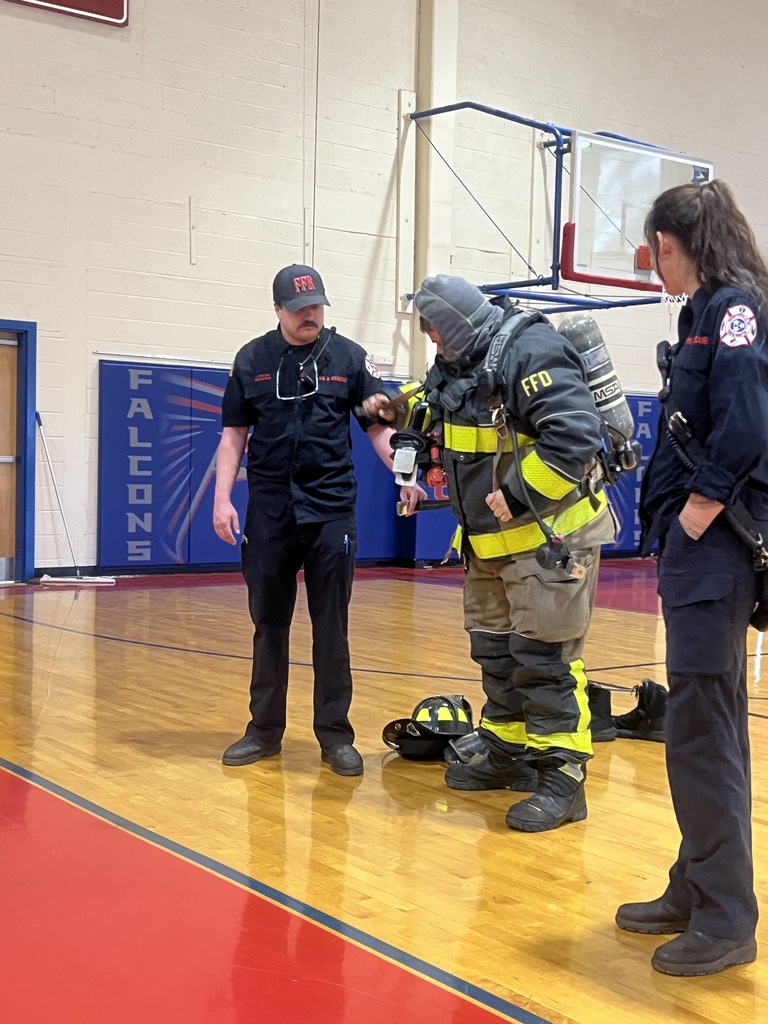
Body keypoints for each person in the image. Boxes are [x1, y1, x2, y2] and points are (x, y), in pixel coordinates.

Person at [364, 274, 616, 831]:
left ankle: (563, 777)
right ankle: (508, 753)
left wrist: (520, 492)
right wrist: (396, 414)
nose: (430, 340)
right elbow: (441, 409)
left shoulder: (531, 350)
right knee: (496, 653)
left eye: (433, 330)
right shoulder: (458, 360)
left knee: (545, 662)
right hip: (488, 545)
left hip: (549, 542)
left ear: (452, 323)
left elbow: (575, 434)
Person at [615, 179, 768, 976]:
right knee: (706, 728)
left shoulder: (734, 309)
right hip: (698, 555)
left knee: (702, 736)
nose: (658, 268)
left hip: (716, 549)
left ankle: (724, 919)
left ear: (690, 243)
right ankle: (697, 882)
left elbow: (747, 426)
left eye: (663, 252)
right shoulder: (702, 314)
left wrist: (696, 516)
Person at [214, 264, 424, 777]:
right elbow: (234, 436)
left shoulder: (349, 359)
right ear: (278, 309)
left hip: (330, 510)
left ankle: (335, 736)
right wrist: (222, 500)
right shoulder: (252, 360)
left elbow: (378, 428)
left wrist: (403, 474)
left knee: (332, 626)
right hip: (269, 512)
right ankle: (263, 731)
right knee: (269, 624)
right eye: (299, 307)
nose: (311, 314)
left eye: (317, 305)